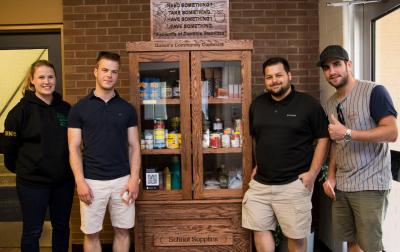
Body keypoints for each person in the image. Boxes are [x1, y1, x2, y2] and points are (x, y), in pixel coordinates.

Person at [242, 57, 329, 252]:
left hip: (293, 184)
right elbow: (257, 138)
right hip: (260, 185)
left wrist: (313, 173)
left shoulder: (309, 104)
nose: (274, 80)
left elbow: (324, 138)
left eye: (279, 75)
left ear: (289, 76)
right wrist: (257, 164)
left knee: (296, 238)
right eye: (269, 77)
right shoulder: (257, 105)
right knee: (260, 230)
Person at [319, 45, 398, 252]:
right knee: (351, 242)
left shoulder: (374, 91)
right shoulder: (330, 103)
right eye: (326, 68)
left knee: (371, 246)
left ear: (348, 65)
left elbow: (391, 132)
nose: (332, 71)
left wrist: (348, 133)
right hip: (343, 185)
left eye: (336, 64)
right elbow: (337, 143)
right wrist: (331, 176)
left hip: (370, 184)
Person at [68, 51, 141, 252]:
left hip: (122, 181)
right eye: (105, 70)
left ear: (118, 75)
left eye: (114, 72)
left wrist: (134, 179)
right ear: (95, 72)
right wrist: (80, 181)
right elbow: (73, 148)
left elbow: (134, 146)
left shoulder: (127, 109)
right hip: (92, 181)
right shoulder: (79, 109)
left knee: (123, 231)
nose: (109, 75)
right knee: (91, 234)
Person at [3, 60, 75, 252]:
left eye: (50, 77)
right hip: (32, 184)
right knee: (32, 231)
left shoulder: (66, 109)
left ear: (55, 79)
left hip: (63, 182)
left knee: (61, 228)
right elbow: (10, 152)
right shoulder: (19, 112)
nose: (46, 81)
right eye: (41, 77)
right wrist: (27, 170)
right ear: (32, 80)